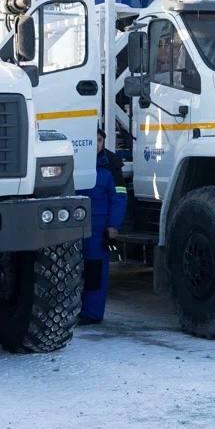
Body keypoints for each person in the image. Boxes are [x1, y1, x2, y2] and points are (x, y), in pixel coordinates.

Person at [79, 128, 127, 324]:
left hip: (98, 229)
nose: (97, 144)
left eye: (100, 140)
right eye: (93, 140)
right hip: (73, 226)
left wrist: (113, 226)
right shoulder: (76, 163)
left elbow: (119, 197)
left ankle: (92, 314)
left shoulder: (111, 167)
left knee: (95, 271)